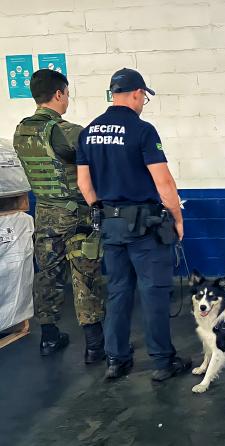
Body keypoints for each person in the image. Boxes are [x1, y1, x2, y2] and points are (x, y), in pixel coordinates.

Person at [76, 68, 190, 381]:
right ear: (138, 93)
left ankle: (116, 360)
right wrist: (177, 217)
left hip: (111, 228)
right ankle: (163, 363)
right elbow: (163, 181)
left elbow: (84, 183)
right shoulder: (143, 131)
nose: (143, 103)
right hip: (145, 228)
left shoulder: (88, 133)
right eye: (144, 98)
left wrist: (103, 210)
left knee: (118, 292)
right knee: (154, 293)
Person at [13, 69, 105, 362]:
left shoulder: (21, 130)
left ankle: (49, 339)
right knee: (84, 273)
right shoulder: (65, 130)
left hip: (44, 213)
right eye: (66, 94)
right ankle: (94, 346)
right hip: (75, 215)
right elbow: (98, 159)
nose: (67, 100)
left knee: (48, 274)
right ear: (58, 94)